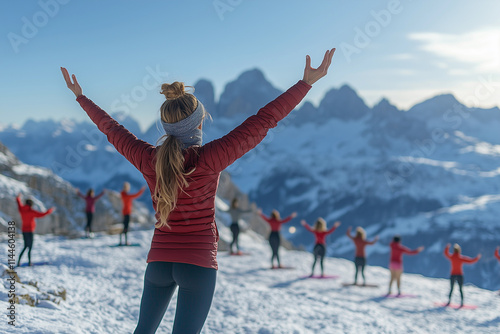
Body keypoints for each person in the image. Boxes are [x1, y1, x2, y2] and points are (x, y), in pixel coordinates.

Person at [61, 46, 335, 334]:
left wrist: (81, 97)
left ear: (166, 127)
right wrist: (305, 84)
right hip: (198, 264)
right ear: (199, 123)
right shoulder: (211, 158)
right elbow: (263, 121)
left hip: (159, 262)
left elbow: (111, 129)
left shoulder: (147, 158)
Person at [16, 193, 54, 266]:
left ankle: (19, 262)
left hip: (24, 231)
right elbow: (41, 214)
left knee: (25, 246)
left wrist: (18, 198)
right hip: (30, 231)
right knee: (30, 247)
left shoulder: (22, 210)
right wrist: (49, 211)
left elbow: (19, 204)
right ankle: (29, 262)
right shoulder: (31, 211)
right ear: (31, 204)